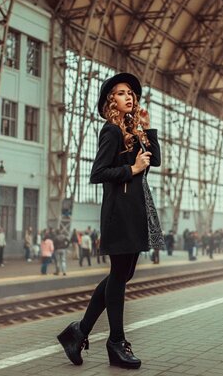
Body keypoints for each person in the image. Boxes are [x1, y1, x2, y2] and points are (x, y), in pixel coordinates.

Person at [57, 73, 162, 369]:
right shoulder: (111, 131)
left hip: (135, 211)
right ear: (110, 101)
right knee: (119, 275)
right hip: (119, 214)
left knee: (122, 275)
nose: (127, 96)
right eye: (120, 93)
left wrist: (148, 126)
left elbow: (154, 161)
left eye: (130, 92)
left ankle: (78, 332)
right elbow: (98, 173)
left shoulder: (133, 130)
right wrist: (131, 169)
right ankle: (116, 342)